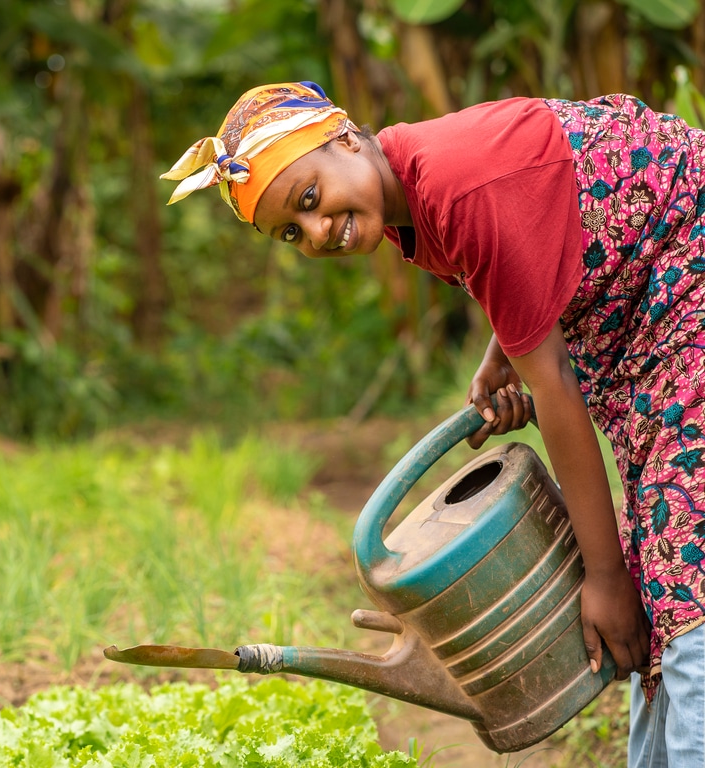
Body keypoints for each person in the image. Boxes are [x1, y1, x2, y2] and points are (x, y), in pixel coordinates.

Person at [161, 80, 705, 766]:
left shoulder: (454, 184)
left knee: (687, 574)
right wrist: (502, 352)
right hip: (651, 328)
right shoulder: (408, 197)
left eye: (309, 200)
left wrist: (601, 578)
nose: (318, 231)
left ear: (347, 139)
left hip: (688, 282)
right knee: (670, 578)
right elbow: (533, 239)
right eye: (293, 233)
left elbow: (557, 389)